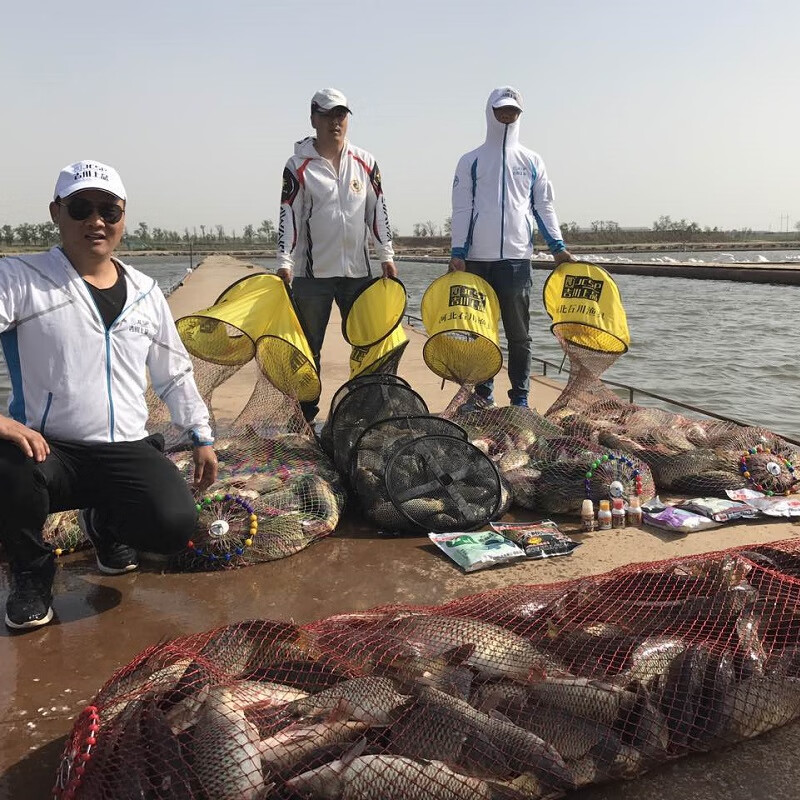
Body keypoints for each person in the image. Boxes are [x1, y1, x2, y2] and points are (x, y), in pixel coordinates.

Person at [0, 160, 218, 630]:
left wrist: (200, 433)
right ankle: (32, 574)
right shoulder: (20, 278)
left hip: (124, 446)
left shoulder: (145, 291)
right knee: (4, 465)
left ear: (123, 218)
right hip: (49, 450)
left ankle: (105, 523)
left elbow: (173, 371)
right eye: (81, 208)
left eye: (109, 210)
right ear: (57, 212)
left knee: (173, 527)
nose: (95, 221)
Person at [449, 86, 575, 408]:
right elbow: (462, 208)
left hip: (517, 261)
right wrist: (458, 253)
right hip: (478, 261)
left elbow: (543, 206)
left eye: (513, 111)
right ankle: (482, 396)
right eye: (501, 110)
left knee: (519, 336)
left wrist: (557, 247)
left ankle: (520, 398)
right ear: (490, 112)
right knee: (481, 333)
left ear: (519, 115)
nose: (507, 115)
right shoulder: (470, 161)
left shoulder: (531, 160)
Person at [276, 88, 397, 422]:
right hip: (312, 276)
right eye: (328, 115)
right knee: (307, 347)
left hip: (358, 273)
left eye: (341, 115)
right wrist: (285, 261)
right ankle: (303, 415)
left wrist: (386, 254)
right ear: (314, 118)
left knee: (367, 342)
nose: (335, 122)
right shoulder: (297, 166)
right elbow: (290, 215)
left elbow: (378, 211)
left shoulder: (366, 162)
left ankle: (364, 412)